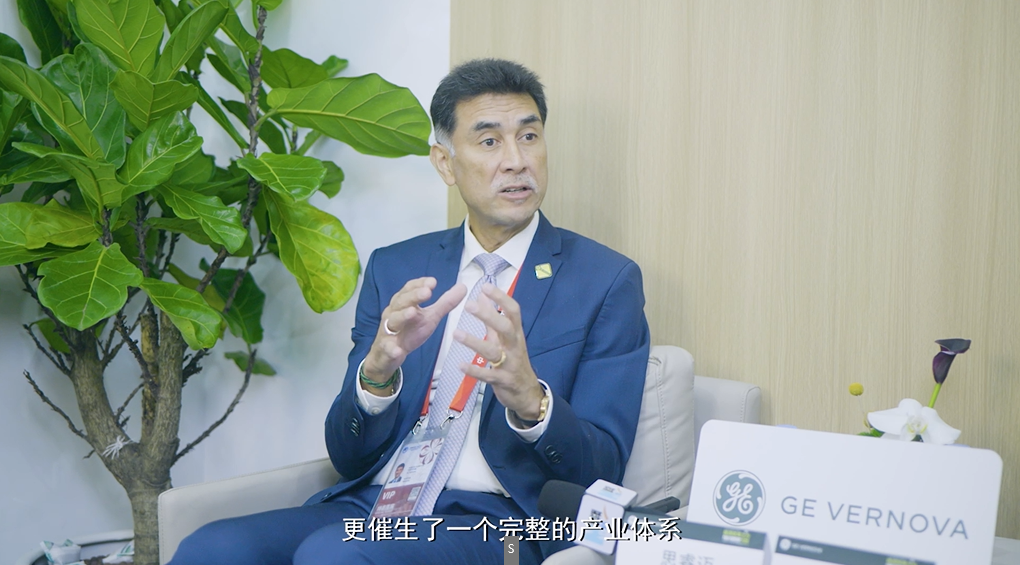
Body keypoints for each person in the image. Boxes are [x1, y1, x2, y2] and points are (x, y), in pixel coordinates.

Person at [170, 58, 649, 565]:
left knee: (335, 555)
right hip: (375, 504)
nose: (516, 160)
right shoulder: (397, 267)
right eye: (489, 141)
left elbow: (603, 470)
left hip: (503, 524)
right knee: (211, 548)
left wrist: (533, 403)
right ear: (445, 163)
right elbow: (348, 455)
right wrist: (376, 377)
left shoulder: (603, 281)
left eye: (529, 137)